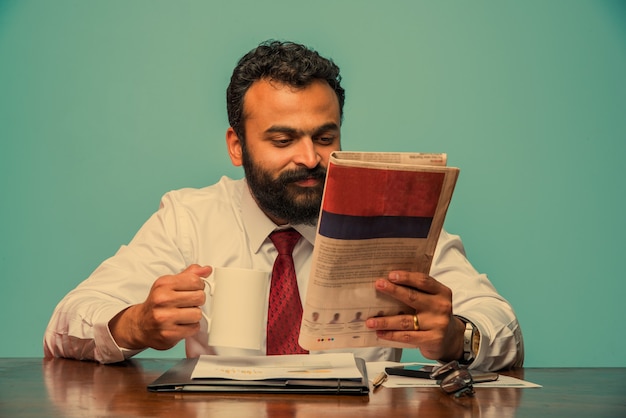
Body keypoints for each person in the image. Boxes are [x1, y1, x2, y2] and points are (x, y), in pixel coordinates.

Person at [43, 40, 524, 370]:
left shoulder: (390, 214)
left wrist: (459, 337)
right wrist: (136, 324)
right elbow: (65, 323)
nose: (310, 157)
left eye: (325, 137)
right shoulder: (188, 218)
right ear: (237, 146)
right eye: (283, 138)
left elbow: (503, 325)